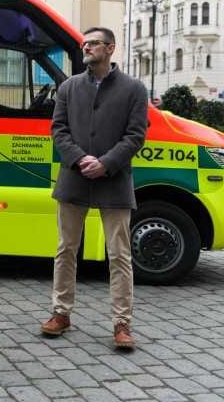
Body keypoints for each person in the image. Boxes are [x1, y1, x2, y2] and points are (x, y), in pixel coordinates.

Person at [41, 27, 148, 350]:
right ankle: (61, 313)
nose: (86, 47)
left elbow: (135, 135)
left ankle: (122, 323)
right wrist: (78, 158)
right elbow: (58, 130)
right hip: (74, 177)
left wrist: (105, 163)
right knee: (66, 249)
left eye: (93, 43)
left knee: (119, 255)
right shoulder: (69, 87)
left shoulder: (134, 89)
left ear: (110, 48)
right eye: (84, 43)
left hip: (114, 180)